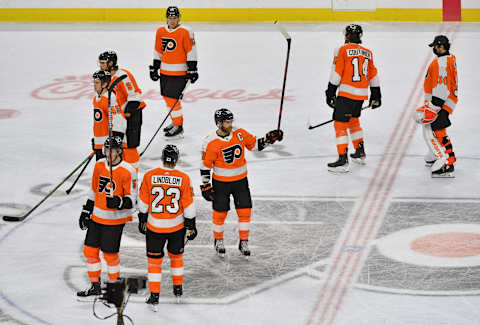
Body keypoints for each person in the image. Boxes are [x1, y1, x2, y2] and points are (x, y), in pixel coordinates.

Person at [200, 108, 283, 257]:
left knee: (245, 212)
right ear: (219, 123)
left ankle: (244, 241)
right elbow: (205, 166)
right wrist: (205, 185)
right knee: (220, 214)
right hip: (221, 184)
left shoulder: (239, 133)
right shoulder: (210, 141)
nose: (230, 124)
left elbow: (256, 146)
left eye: (231, 121)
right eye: (227, 122)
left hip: (240, 182)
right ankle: (218, 240)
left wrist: (270, 138)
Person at [77, 136, 137, 298]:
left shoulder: (128, 170)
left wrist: (118, 202)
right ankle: (95, 286)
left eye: (112, 150)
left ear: (119, 151)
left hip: (114, 220)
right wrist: (86, 211)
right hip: (97, 216)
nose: (109, 153)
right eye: (107, 150)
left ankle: (113, 287)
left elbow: (133, 200)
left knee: (110, 255)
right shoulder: (99, 165)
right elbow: (94, 190)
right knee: (90, 251)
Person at [137, 144, 197, 306]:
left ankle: (154, 295)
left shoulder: (149, 176)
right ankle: (178, 289)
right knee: (176, 258)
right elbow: (189, 207)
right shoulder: (184, 178)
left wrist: (142, 219)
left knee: (154, 262)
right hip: (176, 228)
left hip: (154, 227)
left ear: (162, 158)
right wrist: (191, 225)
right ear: (177, 160)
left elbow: (142, 203)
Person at [325, 24, 381, 173]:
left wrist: (330, 92)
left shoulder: (343, 50)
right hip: (361, 95)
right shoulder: (368, 52)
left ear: (347, 36)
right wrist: (376, 95)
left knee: (340, 124)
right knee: (353, 121)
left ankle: (343, 160)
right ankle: (359, 151)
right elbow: (373, 75)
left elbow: (337, 73)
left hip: (346, 94)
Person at [149, 6, 198, 138]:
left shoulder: (186, 31)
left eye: (175, 18)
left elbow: (191, 51)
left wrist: (192, 69)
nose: (172, 20)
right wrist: (154, 67)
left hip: (179, 73)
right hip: (165, 71)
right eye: (170, 18)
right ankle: (175, 121)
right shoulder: (160, 31)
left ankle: (178, 125)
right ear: (166, 18)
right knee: (167, 97)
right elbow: (158, 50)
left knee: (172, 99)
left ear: (179, 18)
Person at [413, 35, 457, 178]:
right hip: (446, 101)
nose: (433, 49)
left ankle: (445, 161)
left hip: (441, 102)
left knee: (431, 129)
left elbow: (442, 87)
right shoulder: (449, 59)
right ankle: (441, 155)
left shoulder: (441, 64)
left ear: (441, 47)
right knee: (438, 129)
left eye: (435, 46)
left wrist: (434, 106)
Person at [99, 50, 146, 171]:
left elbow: (135, 96)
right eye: (100, 63)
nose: (101, 66)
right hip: (119, 119)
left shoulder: (123, 76)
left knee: (129, 146)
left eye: (103, 63)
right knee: (118, 146)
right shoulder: (107, 78)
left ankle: (133, 174)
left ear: (111, 63)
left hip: (132, 116)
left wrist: (127, 114)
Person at [91, 70, 127, 161]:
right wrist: (96, 141)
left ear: (104, 84)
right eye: (94, 82)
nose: (94, 85)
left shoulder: (110, 99)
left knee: (111, 172)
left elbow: (119, 119)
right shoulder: (96, 98)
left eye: (97, 83)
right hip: (99, 143)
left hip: (108, 145)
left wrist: (115, 140)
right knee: (102, 170)